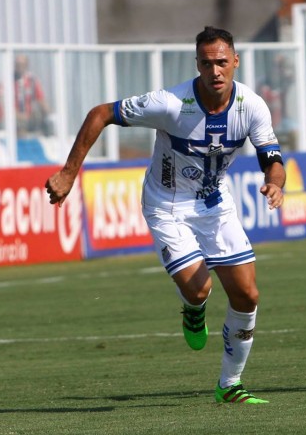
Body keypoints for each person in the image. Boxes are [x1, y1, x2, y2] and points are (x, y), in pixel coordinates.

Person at [46, 26, 286, 404]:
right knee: (200, 287)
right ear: (197, 65)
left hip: (215, 203)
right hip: (167, 204)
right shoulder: (171, 103)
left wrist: (275, 183)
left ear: (236, 61)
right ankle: (194, 309)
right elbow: (100, 114)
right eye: (207, 64)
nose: (215, 71)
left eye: (222, 62)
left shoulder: (251, 106)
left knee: (247, 295)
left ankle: (230, 384)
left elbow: (272, 159)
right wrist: (69, 172)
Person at [0, 54, 51, 136]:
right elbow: (3, 103)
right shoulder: (6, 80)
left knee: (45, 121)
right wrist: (18, 115)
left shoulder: (32, 81)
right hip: (10, 118)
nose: (20, 67)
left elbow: (41, 100)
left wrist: (49, 113)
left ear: (27, 66)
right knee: (18, 125)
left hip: (26, 118)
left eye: (22, 64)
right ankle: (21, 144)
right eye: (17, 64)